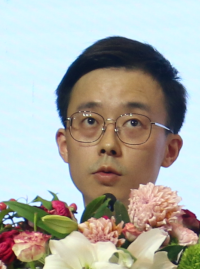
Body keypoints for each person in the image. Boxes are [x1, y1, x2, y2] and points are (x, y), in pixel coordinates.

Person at [53, 37, 186, 211]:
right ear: (64, 145)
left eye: (133, 123)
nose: (108, 145)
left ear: (170, 150)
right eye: (90, 121)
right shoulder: (29, 229)